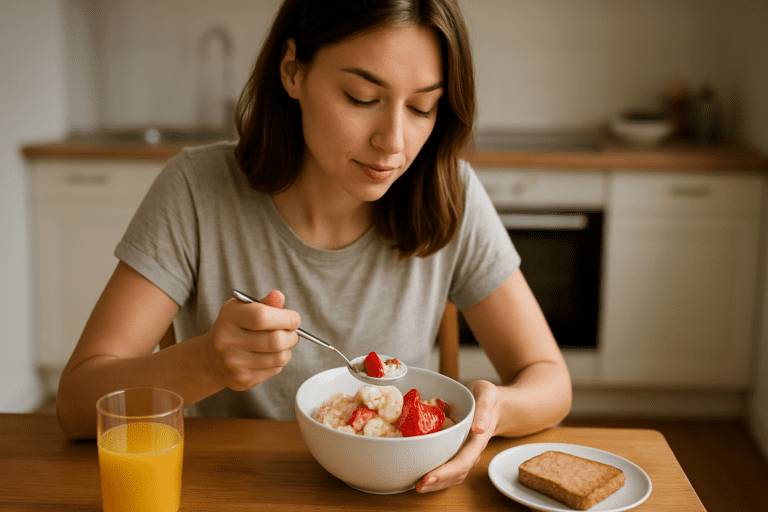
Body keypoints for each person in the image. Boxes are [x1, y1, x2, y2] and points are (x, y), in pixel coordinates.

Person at [57, 0, 572, 493]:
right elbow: (76, 404)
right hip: (229, 489)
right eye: (362, 99)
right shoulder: (194, 189)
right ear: (292, 71)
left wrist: (494, 409)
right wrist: (206, 363)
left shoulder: (448, 194)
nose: (393, 142)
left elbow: (550, 382)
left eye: (422, 107)